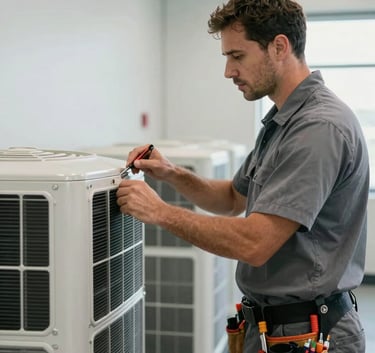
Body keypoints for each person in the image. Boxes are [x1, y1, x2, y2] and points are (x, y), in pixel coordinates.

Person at [116, 0, 369, 352]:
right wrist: (171, 173)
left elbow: (256, 243)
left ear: (279, 47)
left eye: (237, 56)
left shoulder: (317, 128)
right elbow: (233, 199)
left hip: (308, 334)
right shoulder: (283, 122)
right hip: (272, 328)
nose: (228, 71)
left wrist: (159, 212)